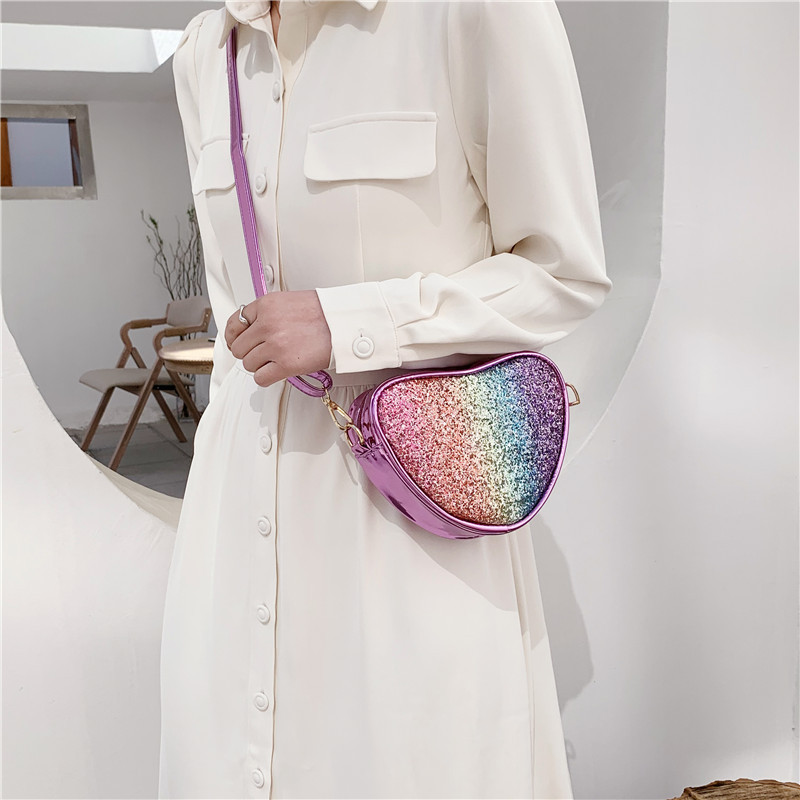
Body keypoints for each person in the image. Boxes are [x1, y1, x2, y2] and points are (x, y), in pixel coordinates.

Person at [158, 1, 612, 797]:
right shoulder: (207, 50)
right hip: (233, 527)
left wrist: (350, 322)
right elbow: (235, 313)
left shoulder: (472, 12)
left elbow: (562, 273)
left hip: (408, 526)